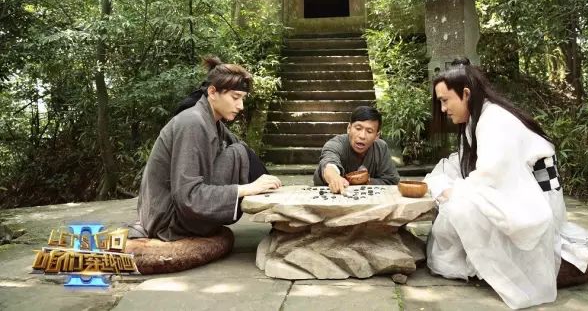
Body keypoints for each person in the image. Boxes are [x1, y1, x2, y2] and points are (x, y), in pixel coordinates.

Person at [424, 58, 588, 309]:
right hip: (519, 192)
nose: (443, 109)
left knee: (459, 205)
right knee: (448, 187)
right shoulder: (477, 119)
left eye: (445, 100)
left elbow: (492, 176)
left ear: (466, 94)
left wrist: (455, 191)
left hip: (537, 200)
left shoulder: (495, 120)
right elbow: (468, 164)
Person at [128, 56, 282, 241]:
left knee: (242, 151)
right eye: (235, 97)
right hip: (168, 219)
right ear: (212, 92)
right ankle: (281, 217)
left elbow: (244, 152)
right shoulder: (193, 122)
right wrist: (247, 189)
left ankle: (279, 212)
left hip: (176, 210)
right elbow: (188, 197)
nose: (241, 106)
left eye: (243, 99)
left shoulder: (212, 120)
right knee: (241, 153)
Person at [313, 106, 400, 193]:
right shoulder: (336, 143)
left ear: (377, 136)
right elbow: (329, 163)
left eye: (369, 131)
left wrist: (366, 181)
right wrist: (334, 176)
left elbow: (392, 180)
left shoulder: (381, 148)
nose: (362, 136)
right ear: (349, 128)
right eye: (358, 128)